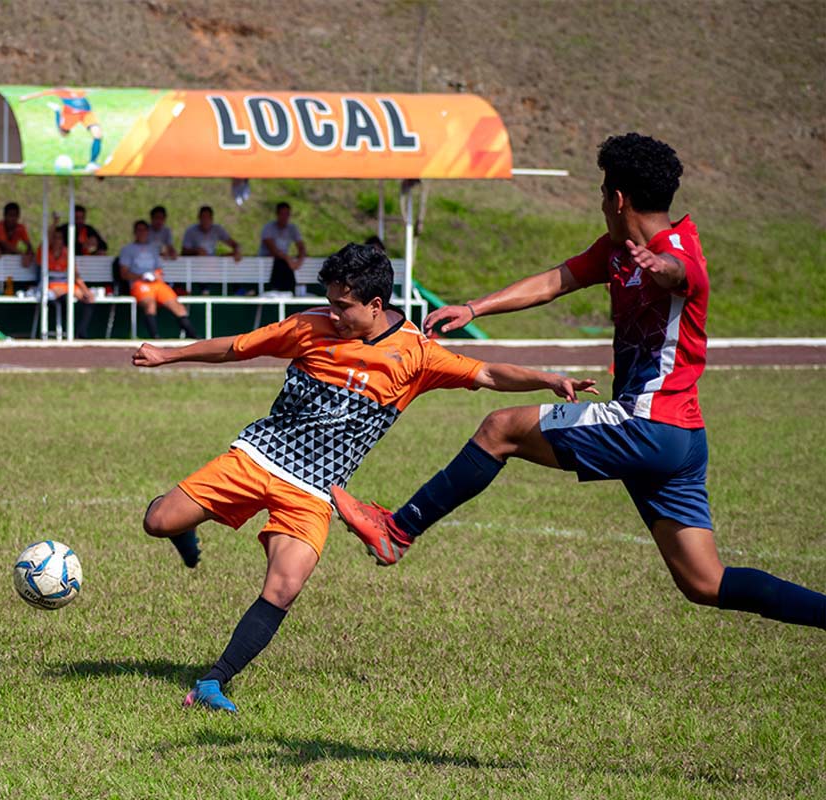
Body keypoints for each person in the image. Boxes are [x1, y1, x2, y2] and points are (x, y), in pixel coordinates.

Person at [330, 133, 826, 631]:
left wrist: (663, 268)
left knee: (499, 428)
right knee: (704, 582)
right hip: (678, 437)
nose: (601, 204)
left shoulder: (676, 247)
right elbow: (555, 280)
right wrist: (475, 308)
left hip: (647, 423)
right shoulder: (617, 249)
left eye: (602, 193)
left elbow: (685, 274)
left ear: (617, 198)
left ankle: (398, 530)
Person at [132, 243, 599, 712]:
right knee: (158, 522)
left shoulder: (415, 355)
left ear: (376, 306)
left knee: (285, 586)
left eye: (343, 306)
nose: (332, 314)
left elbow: (488, 373)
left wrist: (547, 378)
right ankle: (185, 524)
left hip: (316, 490)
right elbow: (237, 347)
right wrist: (169, 354)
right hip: (258, 456)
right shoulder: (308, 327)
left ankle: (213, 683)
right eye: (330, 303)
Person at [119, 220, 198, 339]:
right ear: (134, 232)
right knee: (150, 304)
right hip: (139, 283)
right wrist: (141, 276)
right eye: (139, 230)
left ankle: (194, 337)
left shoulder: (153, 248)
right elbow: (124, 274)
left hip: (157, 283)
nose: (142, 233)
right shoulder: (127, 249)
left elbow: (159, 269)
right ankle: (155, 338)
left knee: (178, 306)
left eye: (144, 230)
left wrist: (156, 275)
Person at [19, 87, 104, 171]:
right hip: (70, 114)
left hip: (86, 113)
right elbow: (43, 93)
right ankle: (57, 111)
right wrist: (26, 97)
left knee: (97, 134)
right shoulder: (60, 90)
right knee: (63, 133)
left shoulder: (79, 89)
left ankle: (92, 163)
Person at [43, 222, 95, 338]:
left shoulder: (67, 253)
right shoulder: (44, 250)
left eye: (59, 238)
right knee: (65, 297)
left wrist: (86, 290)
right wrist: (54, 220)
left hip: (66, 287)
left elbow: (76, 275)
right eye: (54, 238)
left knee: (88, 299)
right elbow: (48, 236)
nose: (57, 241)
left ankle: (81, 333)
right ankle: (67, 332)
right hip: (49, 286)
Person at [259, 202, 307, 292]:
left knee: (284, 264)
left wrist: (299, 261)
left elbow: (301, 247)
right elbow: (272, 250)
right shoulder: (268, 228)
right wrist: (288, 259)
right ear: (277, 214)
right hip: (268, 265)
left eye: (287, 214)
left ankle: (289, 291)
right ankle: (280, 290)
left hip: (285, 265)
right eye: (282, 214)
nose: (285, 217)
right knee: (281, 262)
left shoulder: (292, 228)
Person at [0, 202, 34, 267]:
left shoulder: (20, 228)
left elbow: (28, 245)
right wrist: (22, 254)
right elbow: (4, 244)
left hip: (10, 260)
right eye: (10, 215)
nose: (13, 218)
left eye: (15, 216)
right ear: (5, 216)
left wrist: (29, 254)